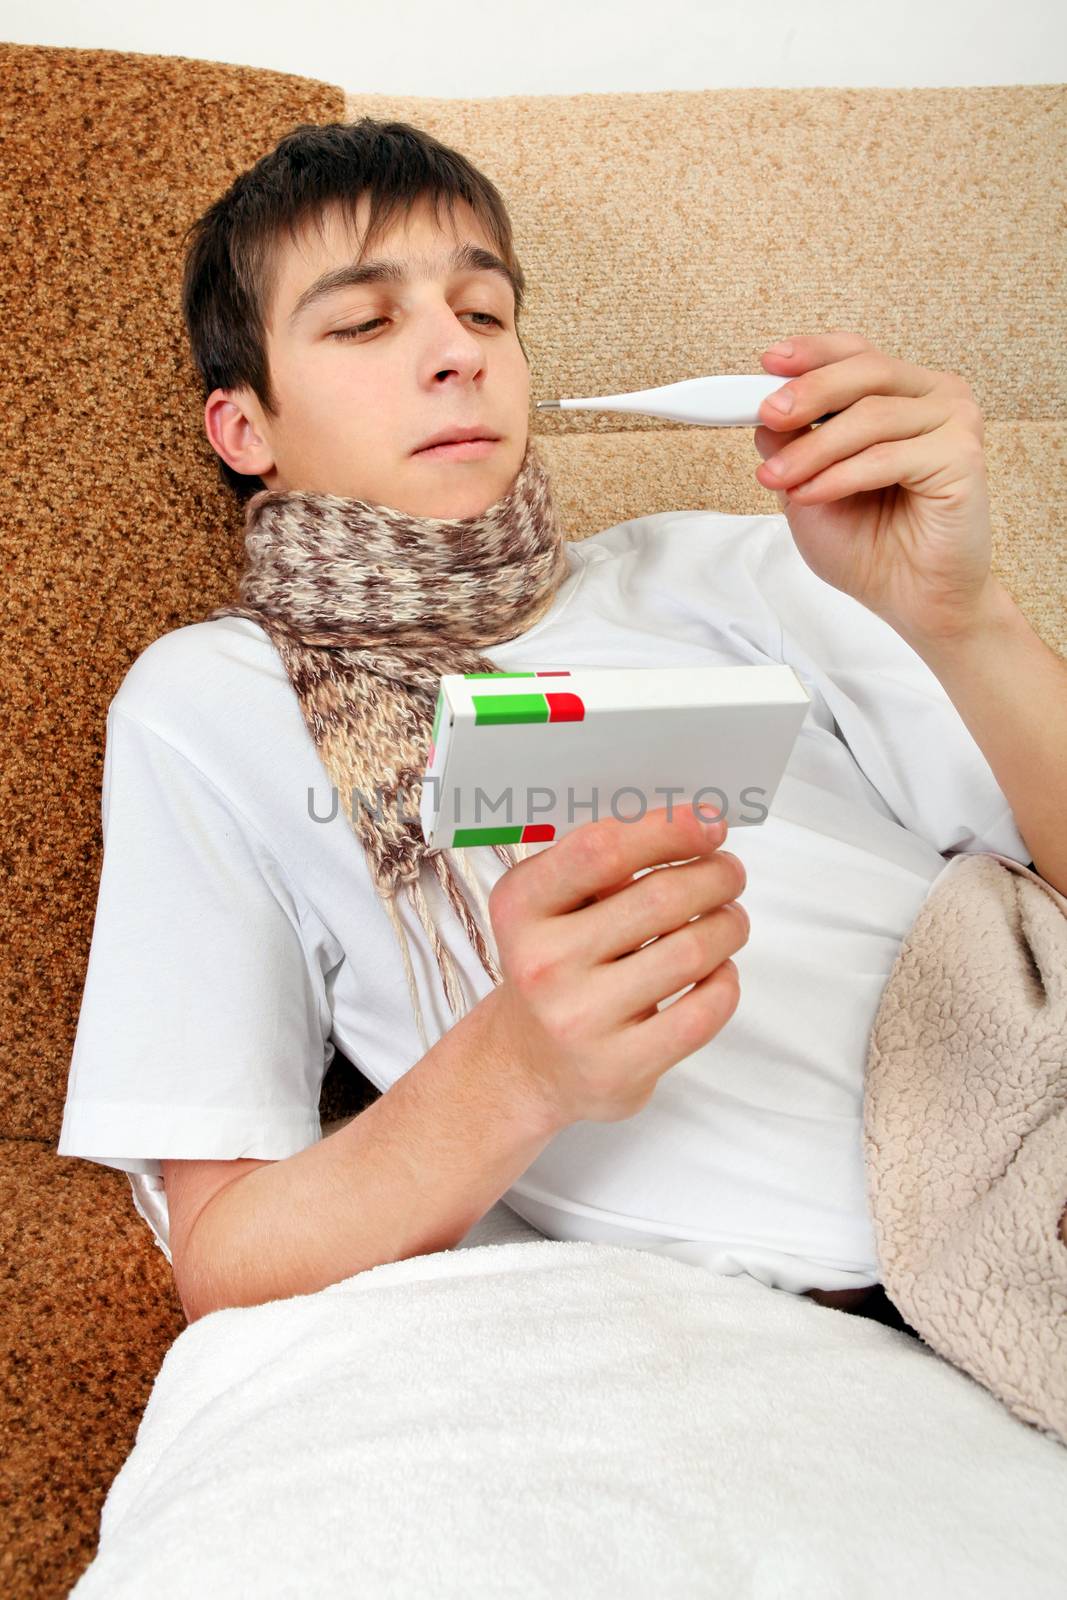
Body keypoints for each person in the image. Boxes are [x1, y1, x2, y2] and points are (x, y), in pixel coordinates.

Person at [56, 118, 1044, 1326]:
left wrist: (964, 617)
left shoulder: (729, 568)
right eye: (365, 322)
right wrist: (517, 1070)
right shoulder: (210, 703)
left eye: (483, 311)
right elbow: (223, 1254)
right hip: (894, 1286)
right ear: (243, 428)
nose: (454, 354)